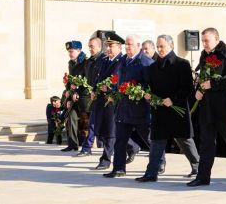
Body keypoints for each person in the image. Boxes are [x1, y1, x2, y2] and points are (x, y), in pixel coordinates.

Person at [187, 27, 226, 187]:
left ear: (216, 39)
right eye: (202, 41)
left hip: (225, 107)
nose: (204, 44)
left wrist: (212, 84)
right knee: (206, 143)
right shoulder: (204, 55)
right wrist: (199, 91)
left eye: (206, 40)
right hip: (208, 107)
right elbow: (203, 77)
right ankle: (203, 177)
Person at [135, 35, 200, 182]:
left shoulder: (181, 64)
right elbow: (150, 85)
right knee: (157, 141)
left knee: (185, 140)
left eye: (161, 46)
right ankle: (151, 173)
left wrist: (173, 99)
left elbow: (188, 88)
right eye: (157, 46)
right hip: (160, 110)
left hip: (177, 110)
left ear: (171, 45)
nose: (159, 49)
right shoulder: (153, 66)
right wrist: (148, 94)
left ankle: (198, 167)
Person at [104, 34, 159, 178]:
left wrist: (136, 89)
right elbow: (118, 80)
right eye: (126, 45)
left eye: (130, 44)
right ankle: (118, 169)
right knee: (120, 140)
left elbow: (150, 85)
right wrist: (114, 93)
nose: (127, 47)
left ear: (138, 45)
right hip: (123, 107)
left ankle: (159, 162)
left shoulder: (145, 62)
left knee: (149, 138)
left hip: (140, 109)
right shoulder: (122, 60)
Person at [76, 37, 106, 157]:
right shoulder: (90, 61)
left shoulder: (104, 60)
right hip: (94, 96)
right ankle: (87, 147)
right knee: (92, 123)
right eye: (89, 46)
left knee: (108, 127)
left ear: (99, 46)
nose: (90, 49)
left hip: (105, 98)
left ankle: (131, 147)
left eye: (92, 46)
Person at [61, 40, 88, 152]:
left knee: (89, 124)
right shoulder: (71, 63)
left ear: (79, 50)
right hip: (74, 97)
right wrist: (68, 93)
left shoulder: (86, 63)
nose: (70, 53)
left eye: (72, 51)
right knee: (71, 116)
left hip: (84, 98)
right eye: (69, 51)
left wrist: (78, 92)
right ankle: (72, 144)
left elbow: (88, 81)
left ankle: (87, 146)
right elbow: (71, 81)